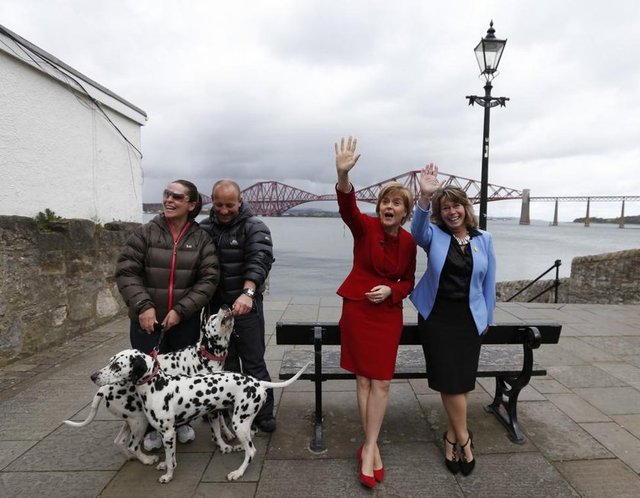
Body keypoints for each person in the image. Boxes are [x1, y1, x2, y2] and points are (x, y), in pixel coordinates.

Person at [334, 136, 417, 489]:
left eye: (396, 202)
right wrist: (343, 176)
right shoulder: (364, 227)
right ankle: (371, 448)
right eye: (385, 201)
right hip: (358, 309)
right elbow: (348, 208)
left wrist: (391, 290)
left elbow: (409, 280)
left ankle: (369, 446)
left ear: (405, 212)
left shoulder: (410, 242)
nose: (389, 206)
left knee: (382, 381)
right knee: (364, 380)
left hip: (387, 315)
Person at [115, 179, 219, 450]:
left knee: (182, 375)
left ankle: (181, 421)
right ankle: (151, 427)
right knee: (146, 375)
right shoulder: (145, 233)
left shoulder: (202, 239)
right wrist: (143, 306)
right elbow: (126, 271)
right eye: (167, 194)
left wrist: (181, 311)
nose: (168, 200)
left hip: (183, 322)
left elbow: (208, 280)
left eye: (177, 196)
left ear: (191, 205)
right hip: (146, 322)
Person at [410, 163, 496, 476]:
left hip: (470, 320)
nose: (451, 212)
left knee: (460, 383)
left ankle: (450, 438)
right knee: (450, 381)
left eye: (456, 205)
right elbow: (416, 231)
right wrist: (424, 196)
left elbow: (489, 283)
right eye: (445, 207)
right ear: (440, 212)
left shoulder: (484, 238)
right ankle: (465, 440)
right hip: (438, 318)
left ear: (465, 208)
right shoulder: (433, 235)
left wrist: (487, 318)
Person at [200, 179, 276, 432]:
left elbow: (260, 259)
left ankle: (264, 412)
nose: (224, 210)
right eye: (219, 204)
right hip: (215, 310)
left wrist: (248, 292)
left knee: (254, 362)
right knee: (225, 363)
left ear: (240, 202)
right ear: (212, 201)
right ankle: (230, 409)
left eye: (230, 205)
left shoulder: (255, 227)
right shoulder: (203, 228)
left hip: (246, 307)